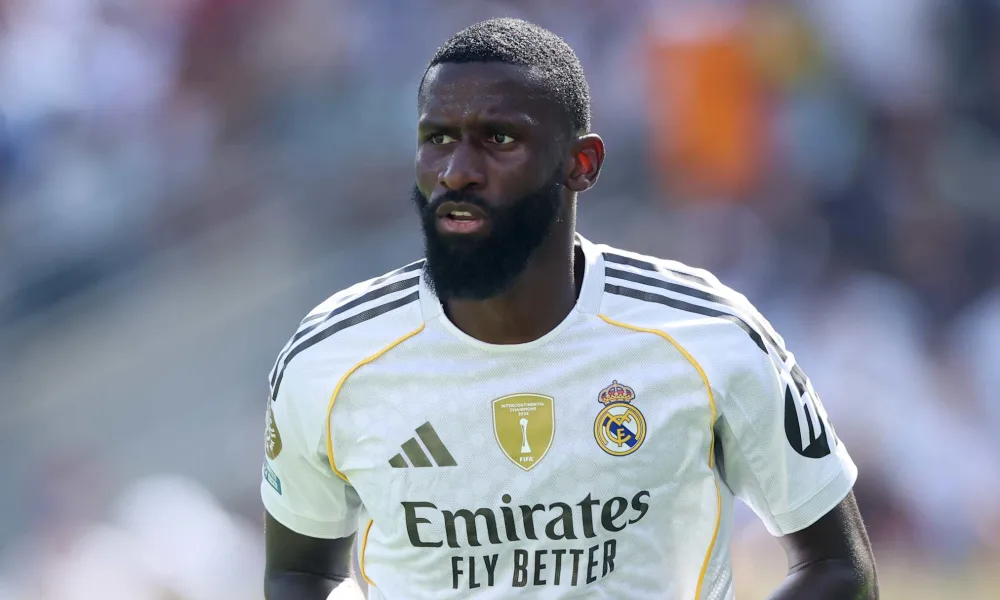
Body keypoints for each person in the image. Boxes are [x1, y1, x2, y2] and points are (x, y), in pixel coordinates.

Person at [261, 18, 877, 600]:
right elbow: (298, 573)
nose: (457, 171)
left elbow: (839, 568)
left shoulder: (709, 334)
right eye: (437, 139)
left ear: (581, 164)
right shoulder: (330, 358)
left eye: (498, 139)